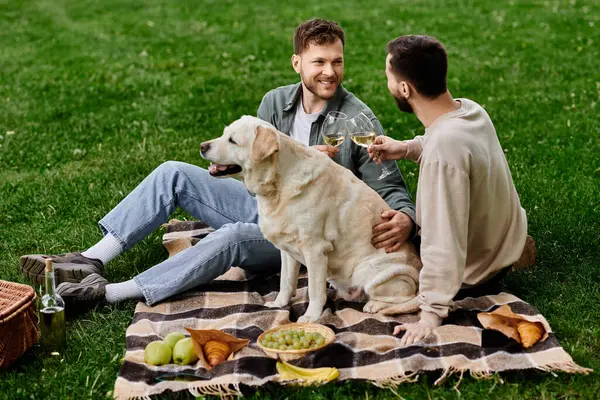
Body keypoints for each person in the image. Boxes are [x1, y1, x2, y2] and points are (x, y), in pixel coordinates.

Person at [20, 19, 417, 311]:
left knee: (231, 238)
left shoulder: (358, 121)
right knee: (172, 172)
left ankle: (107, 293)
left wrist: (405, 217)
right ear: (298, 63)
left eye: (337, 61)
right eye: (319, 62)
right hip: (262, 202)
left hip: (305, 228)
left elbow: (390, 186)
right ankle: (91, 259)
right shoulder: (274, 104)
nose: (329, 71)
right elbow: (248, 165)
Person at [368, 35, 532, 346]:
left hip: (475, 272)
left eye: (389, 77)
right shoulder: (469, 111)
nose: (388, 84)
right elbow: (452, 144)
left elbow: (442, 237)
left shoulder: (444, 152)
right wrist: (408, 148)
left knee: (375, 243)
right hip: (502, 243)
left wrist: (430, 312)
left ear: (405, 89)